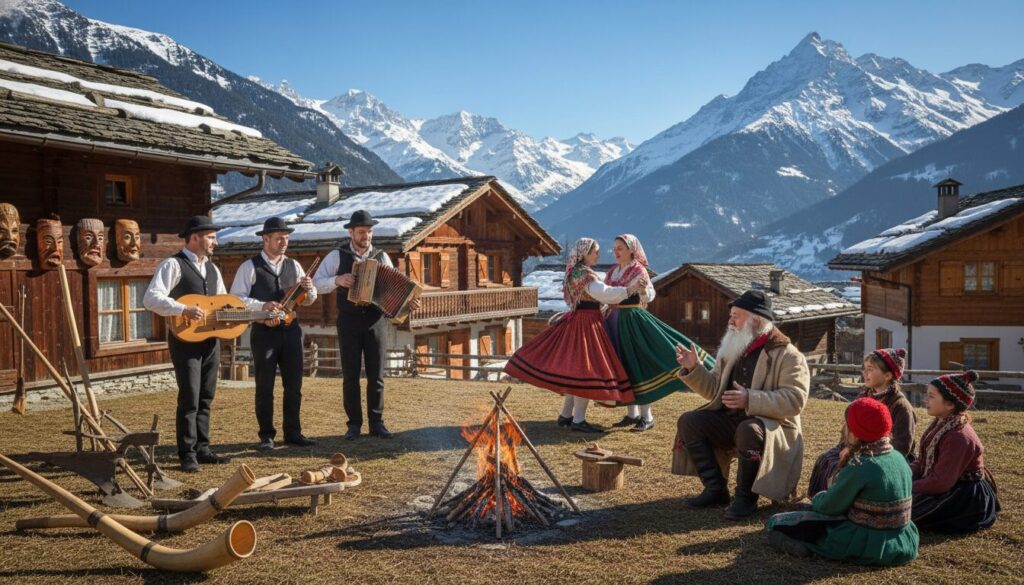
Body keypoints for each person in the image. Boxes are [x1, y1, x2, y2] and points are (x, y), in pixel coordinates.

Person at [673, 289, 809, 519]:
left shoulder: (789, 355)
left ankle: (746, 498)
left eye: (736, 315)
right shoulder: (732, 346)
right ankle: (715, 489)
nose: (730, 321)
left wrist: (751, 399)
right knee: (689, 422)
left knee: (748, 430)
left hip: (771, 428)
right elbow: (714, 390)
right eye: (731, 315)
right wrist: (693, 369)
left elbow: (795, 400)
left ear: (755, 320)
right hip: (731, 422)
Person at [504, 237, 641, 433]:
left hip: (577, 320)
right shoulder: (585, 274)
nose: (598, 255)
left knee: (575, 371)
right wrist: (629, 290)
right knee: (584, 371)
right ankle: (578, 420)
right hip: (587, 323)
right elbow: (604, 293)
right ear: (584, 253)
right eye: (595, 252)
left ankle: (566, 415)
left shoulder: (572, 272)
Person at [765, 397, 919, 565]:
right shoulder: (898, 457)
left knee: (777, 522)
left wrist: (819, 497)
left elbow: (830, 506)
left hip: (867, 542)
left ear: (855, 431)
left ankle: (807, 547)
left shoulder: (861, 465)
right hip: (903, 540)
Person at [312, 210, 419, 440]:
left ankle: (377, 423)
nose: (366, 236)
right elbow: (315, 284)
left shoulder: (381, 257)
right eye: (361, 232)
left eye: (369, 232)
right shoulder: (336, 256)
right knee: (350, 375)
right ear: (351, 232)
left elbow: (394, 292)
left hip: (375, 322)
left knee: (377, 375)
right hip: (348, 322)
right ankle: (354, 425)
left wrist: (407, 305)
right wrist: (337, 280)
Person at [143, 215, 231, 473]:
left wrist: (252, 312)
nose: (215, 241)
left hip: (210, 340)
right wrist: (182, 308)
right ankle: (187, 454)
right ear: (195, 237)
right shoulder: (173, 265)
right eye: (211, 237)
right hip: (185, 340)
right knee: (190, 396)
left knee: (206, 395)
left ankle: (203, 449)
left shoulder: (213, 269)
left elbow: (222, 302)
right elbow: (151, 298)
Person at [603, 234, 714, 432]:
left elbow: (650, 295)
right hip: (614, 320)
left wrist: (644, 291)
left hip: (633, 320)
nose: (616, 251)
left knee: (638, 364)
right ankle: (632, 414)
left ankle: (647, 416)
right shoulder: (612, 272)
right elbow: (606, 294)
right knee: (623, 364)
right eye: (615, 247)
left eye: (620, 247)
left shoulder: (638, 270)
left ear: (631, 250)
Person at [230, 217, 318, 451]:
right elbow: (236, 298)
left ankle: (293, 432)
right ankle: (266, 435)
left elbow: (308, 299)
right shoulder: (249, 266)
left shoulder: (295, 265)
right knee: (264, 385)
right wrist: (261, 306)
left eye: (286, 238)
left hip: (291, 331)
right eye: (279, 238)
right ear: (265, 238)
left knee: (294, 385)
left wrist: (309, 291)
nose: (284, 242)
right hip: (264, 332)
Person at [807, 348, 916, 496]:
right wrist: (847, 447)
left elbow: (902, 445)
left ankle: (847, 505)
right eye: (864, 369)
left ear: (888, 375)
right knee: (826, 460)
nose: (865, 373)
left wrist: (860, 453)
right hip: (856, 448)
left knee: (850, 469)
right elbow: (849, 427)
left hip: (884, 456)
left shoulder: (901, 406)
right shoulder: (863, 397)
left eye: (870, 369)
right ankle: (822, 501)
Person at [911, 370, 1000, 533]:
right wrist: (903, 476)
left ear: (950, 404)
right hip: (944, 484)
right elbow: (922, 461)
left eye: (931, 396)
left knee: (904, 515)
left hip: (961, 495)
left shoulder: (958, 437)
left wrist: (908, 487)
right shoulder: (940, 423)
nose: (925, 400)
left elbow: (940, 482)